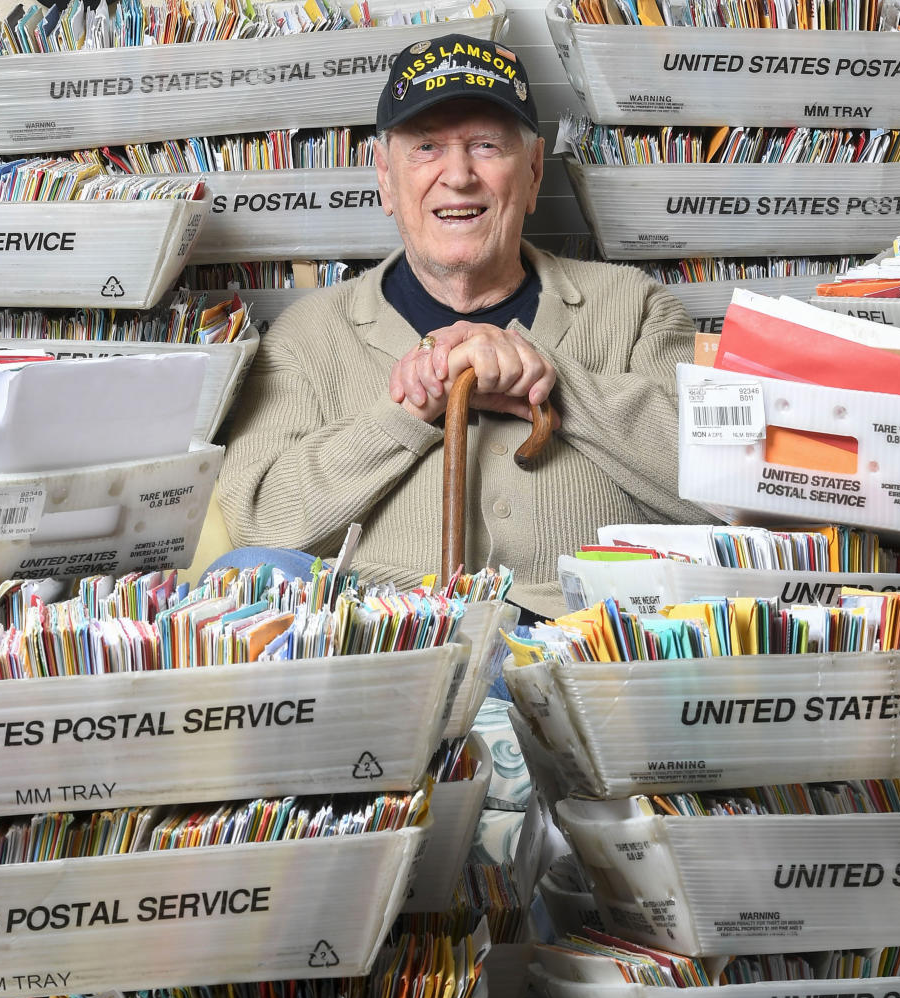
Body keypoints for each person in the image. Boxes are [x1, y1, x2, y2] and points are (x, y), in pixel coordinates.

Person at [219, 35, 703, 618]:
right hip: (386, 636)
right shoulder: (308, 334)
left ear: (532, 171)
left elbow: (719, 494)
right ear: (384, 179)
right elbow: (257, 522)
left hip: (579, 639)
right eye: (425, 147)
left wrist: (556, 382)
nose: (458, 175)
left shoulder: (637, 306)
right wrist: (411, 406)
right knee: (241, 579)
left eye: (485, 145)